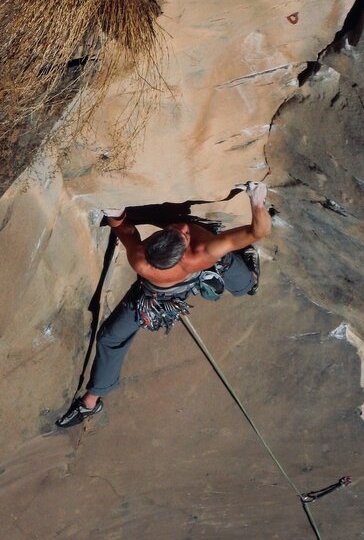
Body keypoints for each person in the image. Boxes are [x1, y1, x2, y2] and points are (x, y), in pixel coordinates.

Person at [56, 182, 271, 428]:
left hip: (155, 293)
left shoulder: (142, 259)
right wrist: (257, 202)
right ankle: (249, 282)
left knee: (111, 338)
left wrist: (116, 215)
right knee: (224, 259)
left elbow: (126, 232)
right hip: (160, 293)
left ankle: (90, 401)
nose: (182, 226)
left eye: (179, 231)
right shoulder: (201, 250)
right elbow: (258, 231)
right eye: (179, 232)